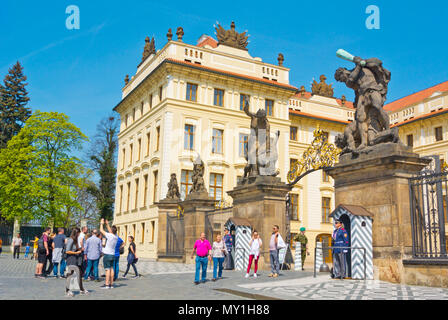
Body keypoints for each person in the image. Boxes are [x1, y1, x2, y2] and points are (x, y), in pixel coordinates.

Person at [65, 228, 88, 296]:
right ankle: (68, 290)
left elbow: (75, 248)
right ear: (76, 233)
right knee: (71, 274)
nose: (79, 234)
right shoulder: (71, 240)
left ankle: (81, 289)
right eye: (79, 233)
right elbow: (67, 251)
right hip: (71, 259)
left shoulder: (75, 240)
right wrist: (76, 252)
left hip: (76, 259)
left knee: (78, 274)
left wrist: (80, 249)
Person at [99, 218, 118, 289]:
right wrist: (107, 224)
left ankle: (107, 284)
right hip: (113, 254)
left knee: (107, 270)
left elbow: (101, 230)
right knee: (112, 269)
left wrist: (101, 223)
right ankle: (111, 284)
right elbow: (111, 231)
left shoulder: (109, 236)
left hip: (107, 254)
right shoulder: (116, 237)